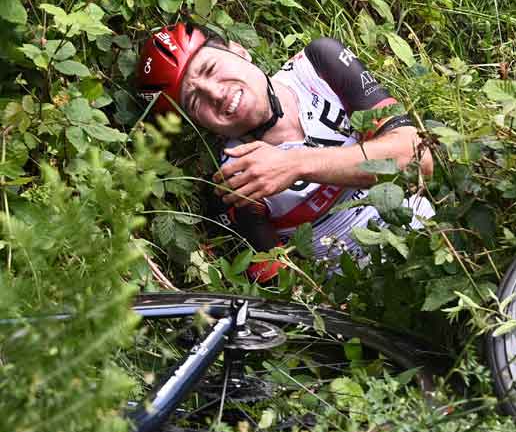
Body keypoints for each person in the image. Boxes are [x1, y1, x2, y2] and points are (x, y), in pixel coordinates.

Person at [134, 23, 434, 279]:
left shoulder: (319, 65)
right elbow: (283, 289)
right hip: (364, 297)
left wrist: (295, 164)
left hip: (435, 238)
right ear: (199, 124)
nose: (215, 93)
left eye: (211, 69)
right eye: (195, 100)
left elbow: (419, 159)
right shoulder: (233, 179)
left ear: (239, 50)